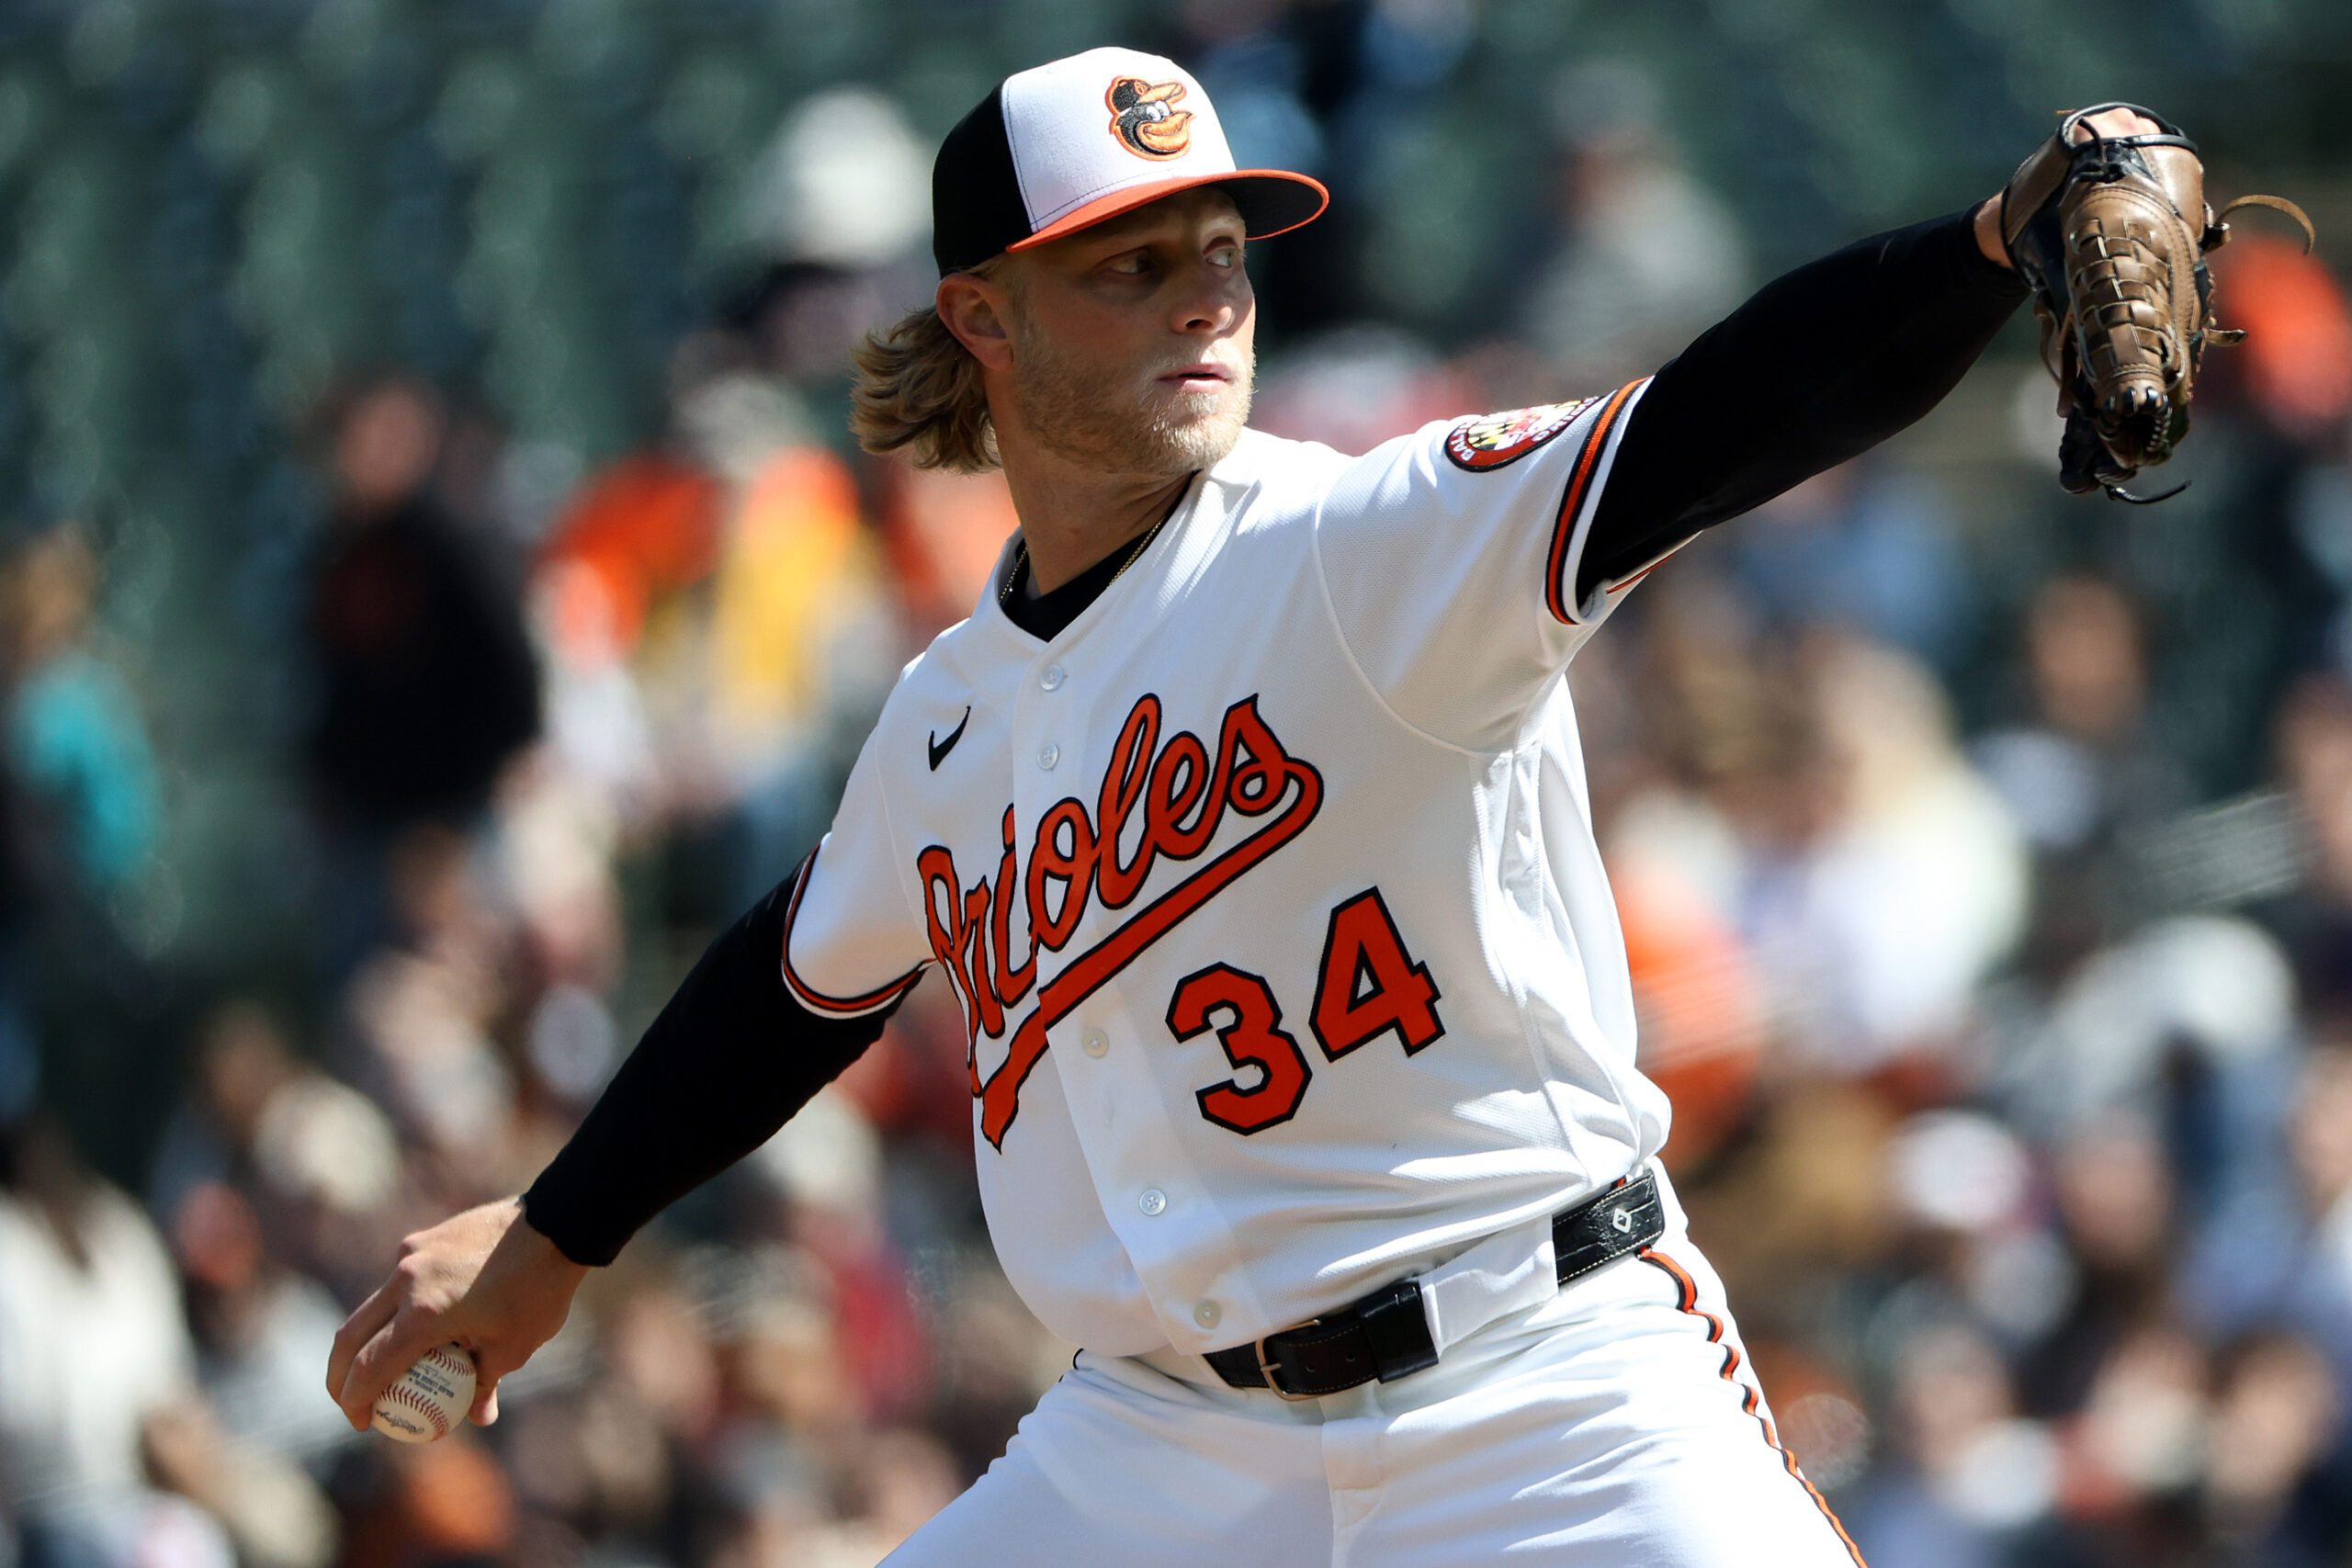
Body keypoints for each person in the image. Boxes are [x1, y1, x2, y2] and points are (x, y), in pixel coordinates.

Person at [326, 46, 2160, 1564]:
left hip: (1540, 1386)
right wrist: (556, 1227)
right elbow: (796, 982)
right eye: (1127, 261)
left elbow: (1704, 422)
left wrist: (1987, 247)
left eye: (1221, 244)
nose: (1205, 291)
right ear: (981, 315)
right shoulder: (945, 712)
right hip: (1165, 1449)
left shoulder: (1361, 544)